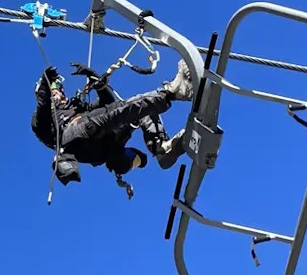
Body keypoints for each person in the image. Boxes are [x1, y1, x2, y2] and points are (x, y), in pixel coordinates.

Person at [31, 59, 195, 187]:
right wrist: (45, 86)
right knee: (115, 113)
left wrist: (97, 82)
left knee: (133, 108)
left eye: (60, 88)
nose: (59, 92)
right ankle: (173, 92)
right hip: (80, 138)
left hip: (105, 143)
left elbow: (108, 103)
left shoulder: (78, 107)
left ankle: (161, 149)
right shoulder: (43, 120)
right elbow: (43, 108)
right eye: (55, 89)